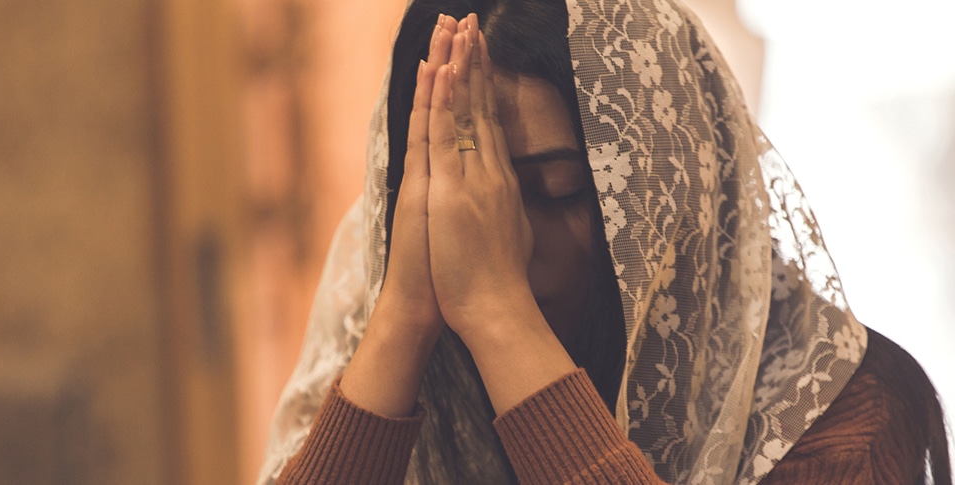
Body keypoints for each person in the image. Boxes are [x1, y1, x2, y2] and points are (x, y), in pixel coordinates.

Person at [258, 0, 952, 483]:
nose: (497, 241)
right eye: (462, 194)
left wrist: (502, 318)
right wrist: (403, 314)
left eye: (554, 189)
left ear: (664, 190)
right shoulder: (389, 373)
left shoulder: (844, 414)